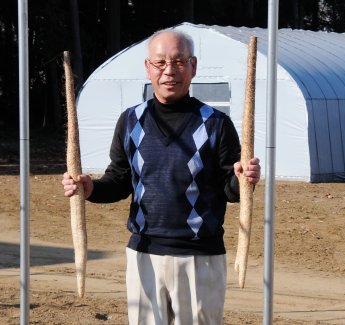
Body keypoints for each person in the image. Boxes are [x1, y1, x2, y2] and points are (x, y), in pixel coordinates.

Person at [62, 28, 261, 325]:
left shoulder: (216, 124)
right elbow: (118, 180)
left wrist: (244, 180)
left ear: (193, 66)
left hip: (199, 257)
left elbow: (230, 191)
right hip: (143, 253)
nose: (170, 71)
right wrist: (90, 188)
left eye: (179, 62)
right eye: (160, 63)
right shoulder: (131, 120)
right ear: (148, 67)